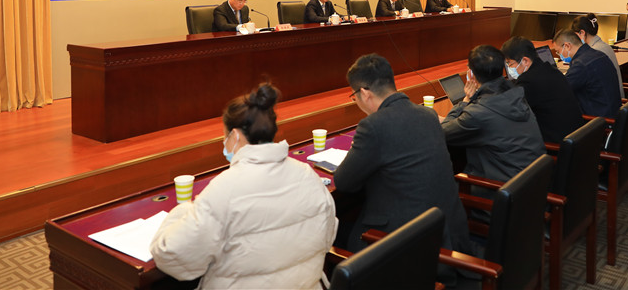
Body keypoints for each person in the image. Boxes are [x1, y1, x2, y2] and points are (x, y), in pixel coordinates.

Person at [150, 84, 337, 289]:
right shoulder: (307, 175)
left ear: (235, 136)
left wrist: (183, 211)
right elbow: (328, 235)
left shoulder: (224, 189)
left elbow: (172, 256)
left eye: (224, 136)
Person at [333, 54, 471, 285]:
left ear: (364, 93)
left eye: (354, 96)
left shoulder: (373, 126)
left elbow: (344, 182)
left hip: (404, 245)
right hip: (444, 233)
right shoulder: (428, 115)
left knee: (331, 230)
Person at [440, 45, 545, 185]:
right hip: (532, 183)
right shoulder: (517, 95)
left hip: (500, 189)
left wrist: (464, 102)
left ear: (472, 74)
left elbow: (443, 133)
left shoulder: (478, 113)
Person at [501, 36, 583, 143]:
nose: (509, 68)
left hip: (556, 145)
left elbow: (511, 114)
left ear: (525, 61)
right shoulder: (551, 70)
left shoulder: (528, 81)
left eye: (510, 63)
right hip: (576, 137)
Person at [554, 29, 621, 118]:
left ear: (567, 46)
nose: (559, 55)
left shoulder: (580, 64)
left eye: (558, 51)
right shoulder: (599, 54)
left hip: (598, 120)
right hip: (613, 112)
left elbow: (561, 90)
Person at [571, 13, 624, 98]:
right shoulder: (604, 46)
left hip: (606, 100)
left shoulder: (594, 52)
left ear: (582, 33)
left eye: (575, 36)